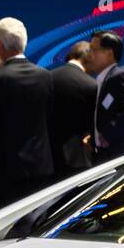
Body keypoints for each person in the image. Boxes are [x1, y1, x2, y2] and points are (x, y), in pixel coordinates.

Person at [0, 17, 54, 211]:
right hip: (41, 167)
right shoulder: (46, 76)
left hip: (6, 171)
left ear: (0, 46)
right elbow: (50, 120)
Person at [88, 31, 124, 161]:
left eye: (93, 50)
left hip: (120, 155)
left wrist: (106, 135)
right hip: (107, 154)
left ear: (109, 53)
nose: (89, 54)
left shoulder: (119, 76)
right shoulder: (105, 79)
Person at [50, 41, 95, 178]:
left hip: (50, 158)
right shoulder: (91, 84)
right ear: (88, 57)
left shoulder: (48, 77)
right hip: (80, 159)